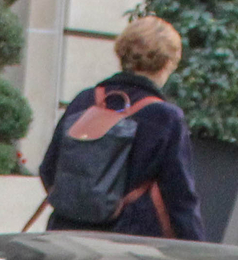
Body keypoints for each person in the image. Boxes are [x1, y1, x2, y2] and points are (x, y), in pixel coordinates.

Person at [37, 16, 205, 241]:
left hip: (67, 238)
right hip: (130, 246)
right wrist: (199, 256)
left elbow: (49, 169)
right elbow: (180, 199)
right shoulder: (165, 117)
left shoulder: (84, 101)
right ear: (168, 63)